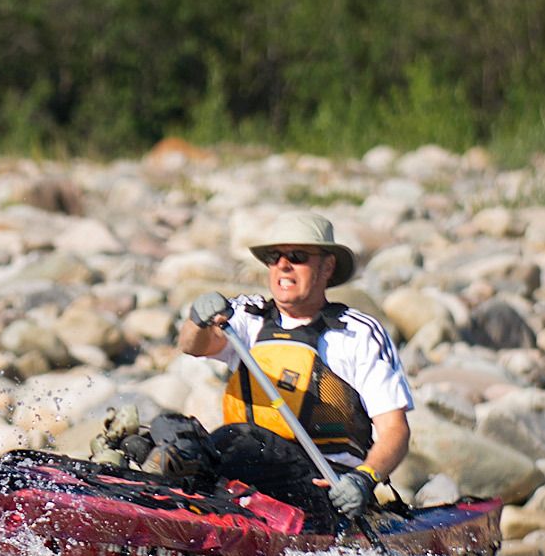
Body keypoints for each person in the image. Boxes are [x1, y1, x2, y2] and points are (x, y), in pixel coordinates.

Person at [176, 211, 413, 527]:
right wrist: (197, 319)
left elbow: (395, 430)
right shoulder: (247, 318)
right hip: (247, 471)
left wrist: (365, 478)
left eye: (297, 257)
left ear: (327, 267)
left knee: (238, 440)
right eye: (275, 257)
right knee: (176, 432)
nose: (283, 266)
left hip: (326, 484)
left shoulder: (357, 333)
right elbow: (194, 345)